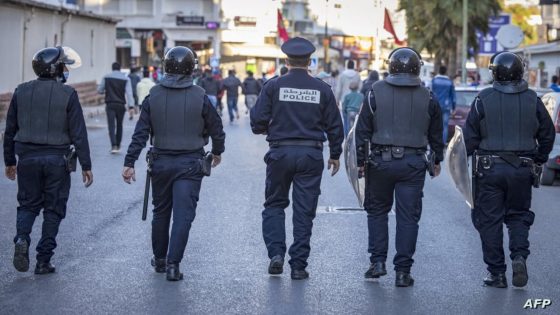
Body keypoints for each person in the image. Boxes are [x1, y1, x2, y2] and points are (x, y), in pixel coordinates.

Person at [122, 46, 225, 281]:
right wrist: (217, 152)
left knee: (161, 212)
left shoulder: (153, 95)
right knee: (183, 216)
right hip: (190, 164)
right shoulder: (200, 95)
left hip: (159, 163)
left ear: (165, 67)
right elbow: (217, 128)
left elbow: (140, 133)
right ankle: (173, 265)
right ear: (192, 68)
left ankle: (159, 260)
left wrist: (129, 162)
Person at [250, 37, 344, 280]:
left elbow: (257, 122)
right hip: (311, 155)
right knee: (304, 212)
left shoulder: (273, 86)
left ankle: (276, 255)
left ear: (286, 60)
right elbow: (335, 126)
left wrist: (268, 127)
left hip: (280, 153)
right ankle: (299, 266)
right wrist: (335, 154)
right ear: (310, 61)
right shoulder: (323, 89)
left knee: (274, 204)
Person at [463, 52, 555, 288]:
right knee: (518, 216)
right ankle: (519, 256)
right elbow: (547, 133)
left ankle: (497, 273)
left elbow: (469, 138)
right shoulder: (533, 99)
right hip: (523, 169)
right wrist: (539, 158)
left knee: (489, 221)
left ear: (494, 72)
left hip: (488, 169)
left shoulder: (483, 99)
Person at [355, 47, 444, 287]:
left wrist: (360, 162)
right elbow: (437, 134)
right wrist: (437, 160)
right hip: (413, 164)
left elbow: (362, 131)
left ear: (390, 66)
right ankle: (403, 272)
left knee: (377, 212)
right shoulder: (429, 96)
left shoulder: (374, 92)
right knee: (408, 218)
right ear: (417, 67)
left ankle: (377, 263)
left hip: (380, 163)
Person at [4, 46, 93, 275]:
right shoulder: (68, 94)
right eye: (63, 65)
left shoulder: (20, 91)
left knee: (27, 205)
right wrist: (86, 165)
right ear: (56, 68)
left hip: (26, 160)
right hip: (57, 161)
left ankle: (22, 238)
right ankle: (44, 260)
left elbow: (10, 130)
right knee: (53, 210)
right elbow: (78, 133)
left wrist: (9, 162)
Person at [98, 62, 134, 153]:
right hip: (121, 105)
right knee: (119, 125)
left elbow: (100, 90)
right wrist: (131, 107)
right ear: (120, 68)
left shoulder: (106, 77)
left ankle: (113, 146)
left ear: (112, 68)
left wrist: (104, 91)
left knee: (111, 125)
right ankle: (118, 145)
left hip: (110, 104)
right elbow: (129, 94)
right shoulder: (126, 79)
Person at [431, 66, 456, 144]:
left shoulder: (434, 80)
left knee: (434, 125)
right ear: (445, 72)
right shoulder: (449, 82)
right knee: (444, 126)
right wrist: (453, 108)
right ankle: (443, 142)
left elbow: (430, 93)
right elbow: (453, 96)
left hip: (435, 106)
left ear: (439, 71)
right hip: (446, 106)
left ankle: (434, 143)